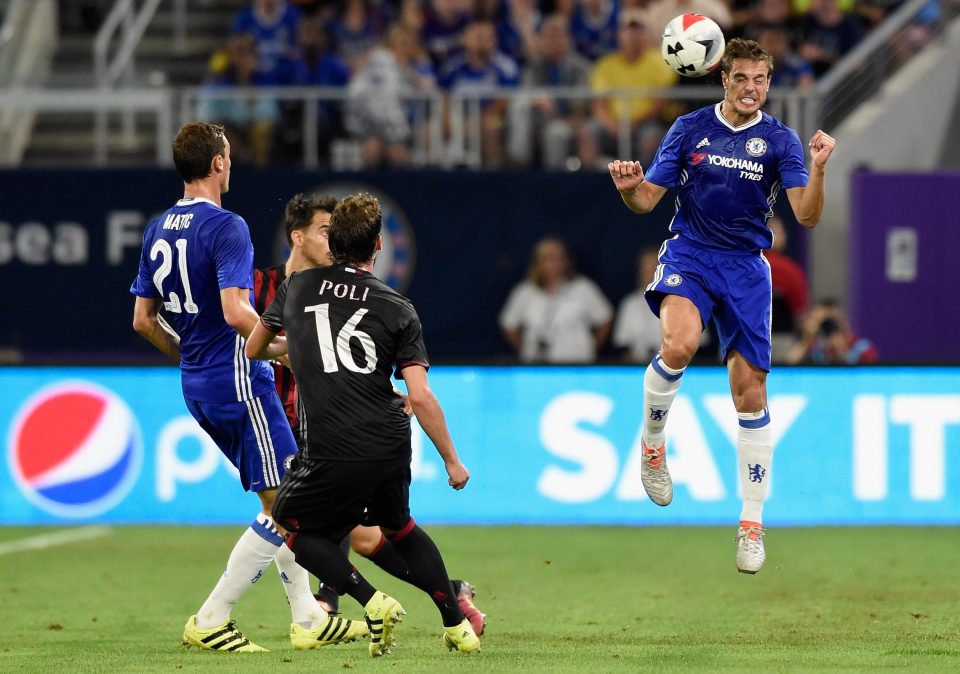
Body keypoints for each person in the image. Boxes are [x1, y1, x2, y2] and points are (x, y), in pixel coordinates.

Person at [130, 122, 367, 652]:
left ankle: (308, 617)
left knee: (282, 498)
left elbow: (143, 321)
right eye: (229, 157)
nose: (231, 164)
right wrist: (286, 349)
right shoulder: (227, 226)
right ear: (216, 163)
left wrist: (190, 355)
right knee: (288, 504)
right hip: (239, 378)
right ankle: (212, 617)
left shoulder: (157, 229)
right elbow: (238, 311)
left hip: (198, 382)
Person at [607, 38, 836, 574]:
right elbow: (645, 201)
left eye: (761, 80)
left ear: (768, 84)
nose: (752, 88)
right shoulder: (689, 130)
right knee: (680, 343)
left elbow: (806, 217)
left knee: (749, 395)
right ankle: (654, 445)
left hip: (747, 268)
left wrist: (820, 169)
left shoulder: (781, 141)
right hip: (691, 252)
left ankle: (752, 525)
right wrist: (627, 187)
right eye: (742, 79)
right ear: (724, 80)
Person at [245, 193, 481, 656]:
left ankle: (370, 601)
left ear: (333, 243)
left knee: (292, 522)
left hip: (330, 445)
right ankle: (457, 625)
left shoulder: (297, 288)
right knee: (400, 528)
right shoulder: (398, 306)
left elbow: (255, 347)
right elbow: (420, 397)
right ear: (376, 246)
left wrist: (298, 357)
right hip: (389, 441)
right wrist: (452, 460)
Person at [500, 236, 613, 363]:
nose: (556, 263)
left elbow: (605, 319)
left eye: (560, 258)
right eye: (550, 258)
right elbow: (508, 323)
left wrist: (591, 349)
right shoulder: (525, 291)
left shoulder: (582, 288)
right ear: (538, 262)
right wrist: (526, 348)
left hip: (576, 365)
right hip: (537, 365)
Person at [787, 299, 878, 364]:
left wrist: (841, 351)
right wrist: (807, 339)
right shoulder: (816, 347)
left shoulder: (863, 348)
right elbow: (789, 365)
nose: (828, 326)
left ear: (843, 321)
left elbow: (869, 378)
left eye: (831, 321)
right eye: (823, 322)